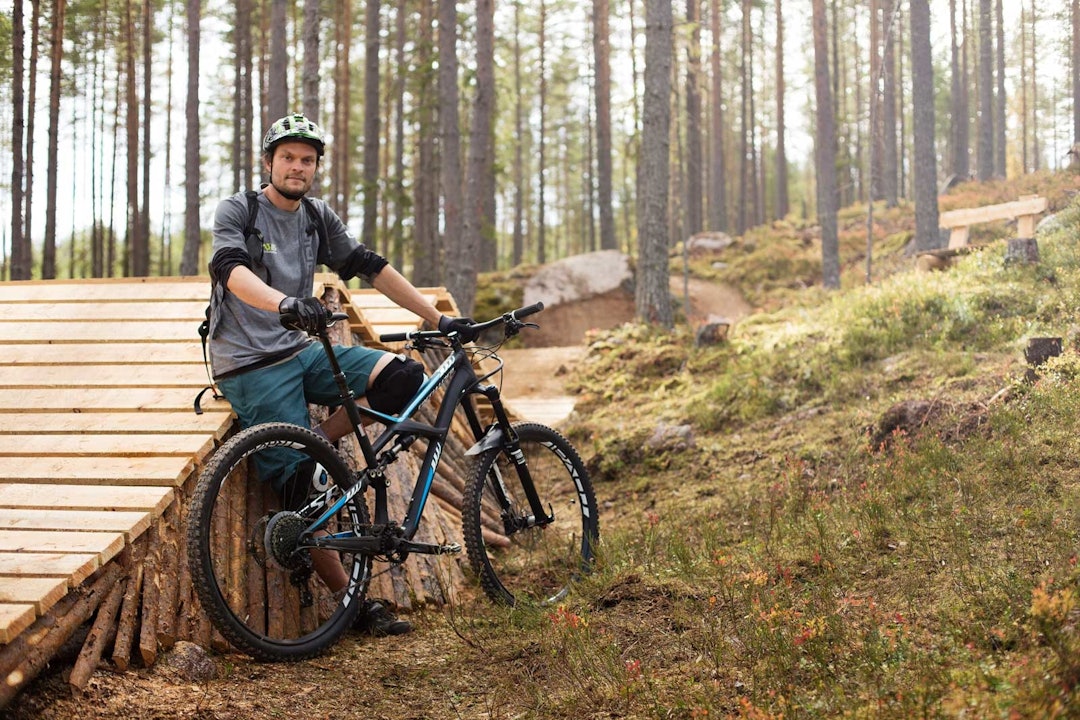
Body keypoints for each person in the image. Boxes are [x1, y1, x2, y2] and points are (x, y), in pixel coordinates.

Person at [206, 112, 476, 636]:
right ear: (268, 162)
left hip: (299, 351)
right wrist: (285, 302)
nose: (297, 167)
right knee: (302, 491)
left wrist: (437, 318)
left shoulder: (315, 216)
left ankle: (316, 446)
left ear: (315, 169)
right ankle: (355, 607)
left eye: (307, 160)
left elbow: (371, 266)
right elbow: (230, 271)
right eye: (287, 157)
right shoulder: (240, 210)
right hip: (249, 362)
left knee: (401, 377)